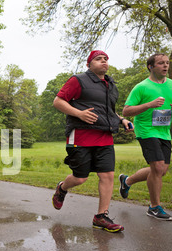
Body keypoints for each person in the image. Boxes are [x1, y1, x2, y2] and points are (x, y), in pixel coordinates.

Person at [51, 50, 133, 233]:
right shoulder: (78, 80)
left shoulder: (111, 85)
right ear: (89, 64)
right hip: (81, 136)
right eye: (98, 59)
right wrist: (79, 113)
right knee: (80, 178)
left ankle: (101, 217)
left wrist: (122, 120)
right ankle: (62, 188)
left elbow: (109, 110)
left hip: (104, 136)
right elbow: (58, 101)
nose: (103, 62)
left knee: (107, 175)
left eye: (106, 59)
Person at [119, 53, 172, 221]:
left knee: (161, 170)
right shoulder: (141, 87)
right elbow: (126, 111)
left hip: (164, 132)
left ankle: (127, 181)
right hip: (145, 130)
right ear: (151, 66)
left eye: (167, 63)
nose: (165, 66)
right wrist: (149, 105)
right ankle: (154, 207)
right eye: (160, 63)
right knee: (158, 167)